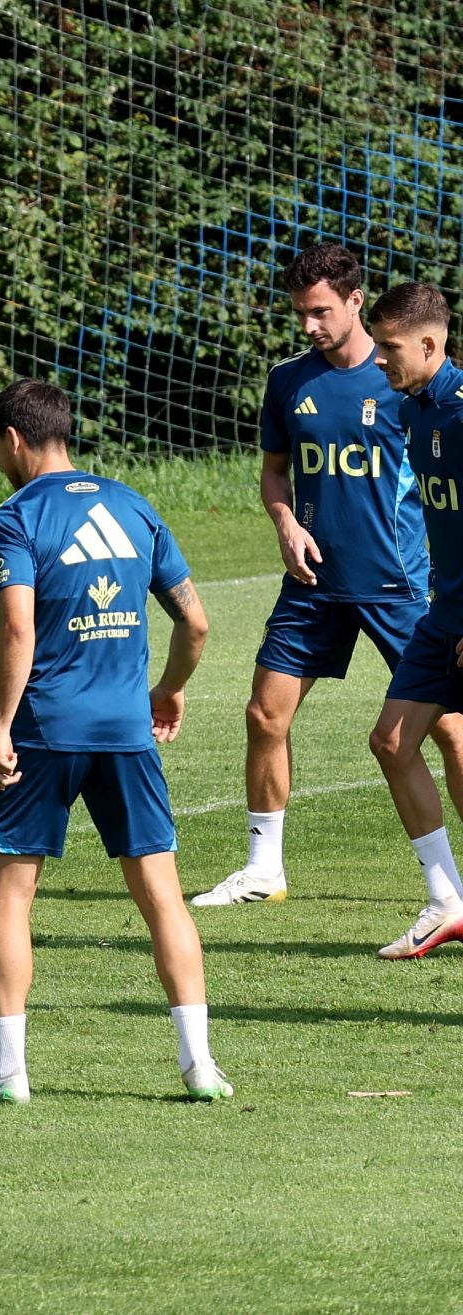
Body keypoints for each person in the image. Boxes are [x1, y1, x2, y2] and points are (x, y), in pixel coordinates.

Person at [0, 380, 228, 1104]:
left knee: (11, 896)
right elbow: (195, 622)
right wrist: (169, 689)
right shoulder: (133, 505)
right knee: (162, 897)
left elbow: (18, 626)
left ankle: (8, 1072)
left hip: (45, 730)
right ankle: (200, 1064)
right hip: (125, 732)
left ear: (13, 439)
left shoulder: (16, 517)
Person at [193, 244, 463, 908]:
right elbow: (274, 471)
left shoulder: (406, 379)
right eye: (300, 314)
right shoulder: (290, 380)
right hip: (314, 581)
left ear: (355, 301)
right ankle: (263, 868)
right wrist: (284, 521)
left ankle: (452, 889)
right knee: (264, 713)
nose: (309, 326)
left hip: (398, 581)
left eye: (319, 312)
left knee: (451, 730)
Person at [363, 282, 463, 958]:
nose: (378, 358)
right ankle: (447, 898)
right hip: (442, 610)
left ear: (431, 344)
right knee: (393, 742)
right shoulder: (412, 412)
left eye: (389, 347)